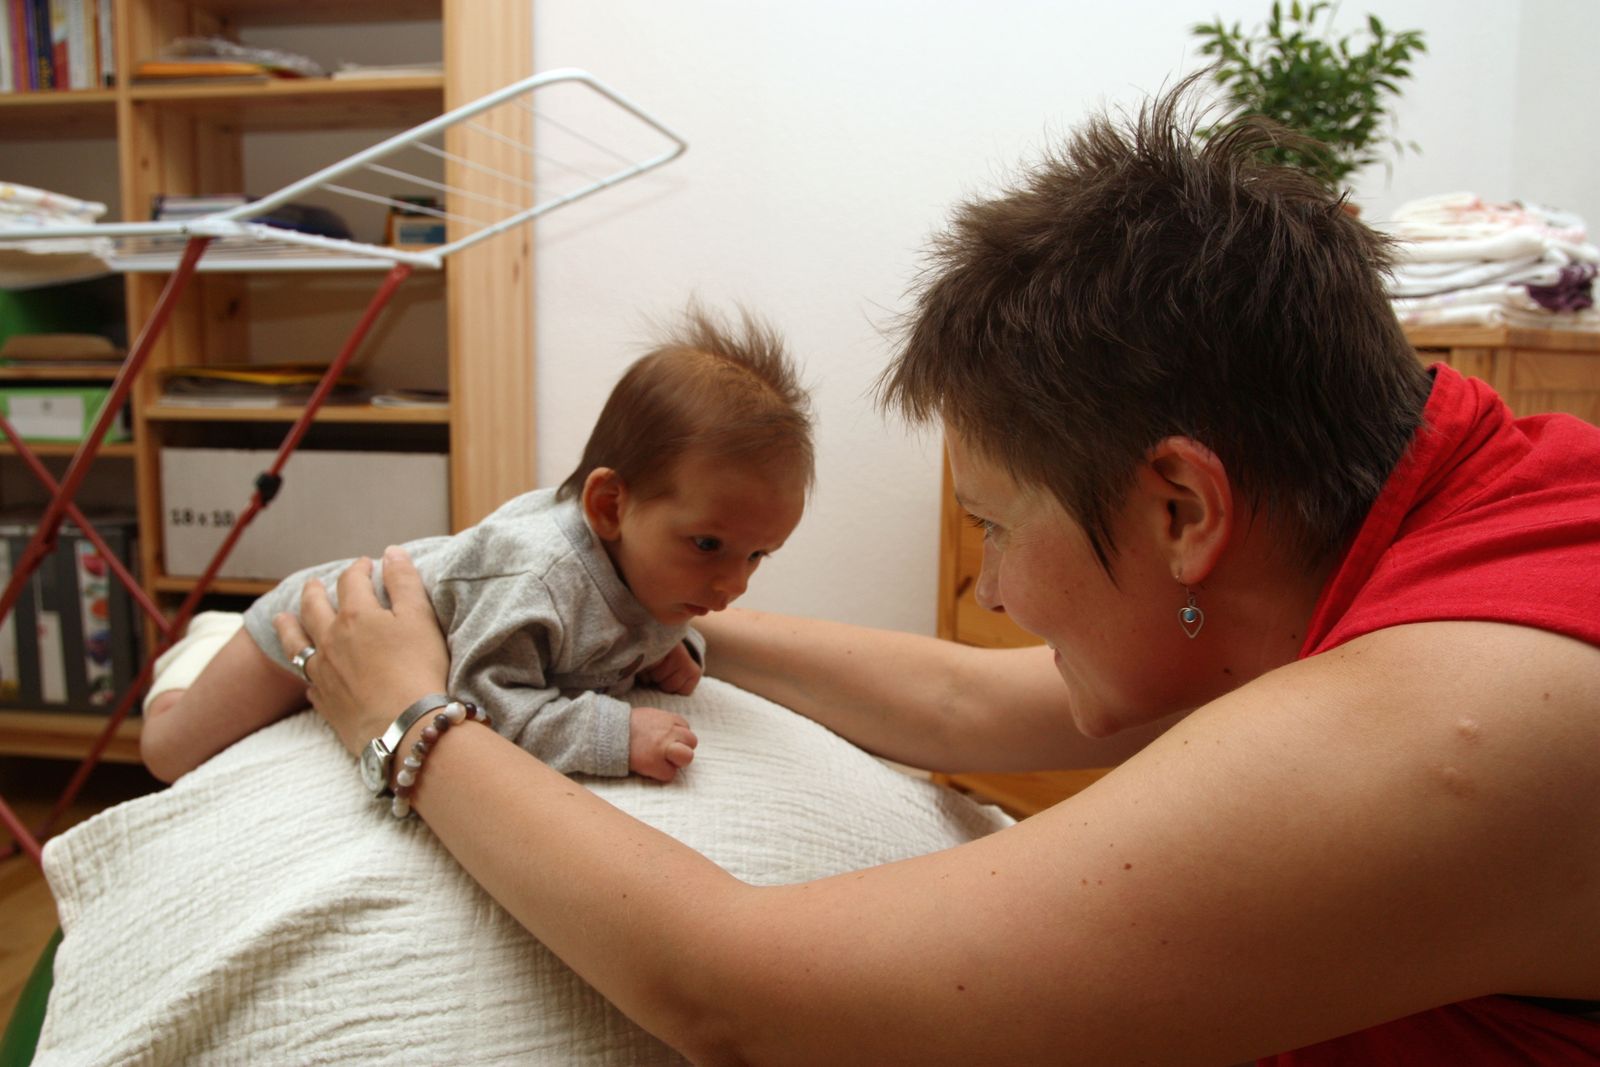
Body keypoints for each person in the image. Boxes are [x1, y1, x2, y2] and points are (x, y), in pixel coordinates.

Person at [271, 84, 1600, 1065]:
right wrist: (651, 611)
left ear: (1183, 507)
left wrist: (411, 722)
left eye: (995, 525)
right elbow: (971, 702)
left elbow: (740, 997)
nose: (997, 588)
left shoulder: (1461, 715)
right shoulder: (1407, 516)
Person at [141, 306, 813, 796]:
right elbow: (479, 700)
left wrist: (670, 645)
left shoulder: (657, 566)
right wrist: (616, 735)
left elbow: (623, 625)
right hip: (314, 621)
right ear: (610, 507)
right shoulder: (538, 580)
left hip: (385, 635)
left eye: (758, 555)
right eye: (709, 545)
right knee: (169, 750)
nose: (733, 585)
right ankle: (206, 645)